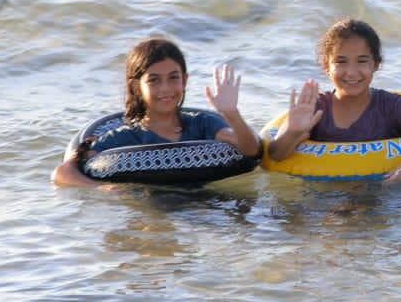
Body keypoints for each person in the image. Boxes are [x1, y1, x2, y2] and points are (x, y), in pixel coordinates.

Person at [267, 17, 401, 183]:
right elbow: (275, 154)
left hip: (384, 192)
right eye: (341, 62)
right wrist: (293, 132)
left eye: (362, 61)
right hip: (327, 197)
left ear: (376, 64)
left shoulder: (390, 106)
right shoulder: (315, 108)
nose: (352, 73)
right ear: (326, 66)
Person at [52, 37, 261, 189]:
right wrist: (99, 187)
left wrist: (231, 113)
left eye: (173, 78)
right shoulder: (125, 138)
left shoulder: (201, 124)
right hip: (153, 207)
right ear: (136, 87)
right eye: (154, 80)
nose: (166, 89)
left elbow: (250, 149)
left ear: (185, 80)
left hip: (205, 201)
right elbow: (62, 173)